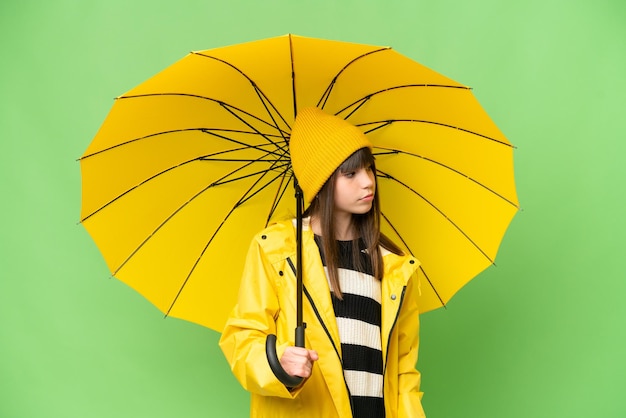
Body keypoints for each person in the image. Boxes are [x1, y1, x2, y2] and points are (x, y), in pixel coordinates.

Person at [219, 107, 426, 418]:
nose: (368, 182)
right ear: (321, 181)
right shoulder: (278, 250)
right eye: (351, 173)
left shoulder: (393, 266)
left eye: (369, 169)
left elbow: (403, 375)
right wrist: (279, 363)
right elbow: (243, 338)